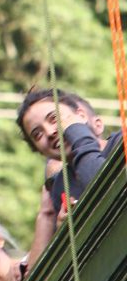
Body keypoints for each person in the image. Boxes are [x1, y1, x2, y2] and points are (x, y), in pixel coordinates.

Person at [17, 87, 123, 215]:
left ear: (81, 116)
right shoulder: (61, 187)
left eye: (54, 118)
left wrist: (77, 133)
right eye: (38, 134)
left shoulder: (121, 142)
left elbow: (112, 189)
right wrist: (66, 227)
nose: (50, 132)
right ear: (39, 151)